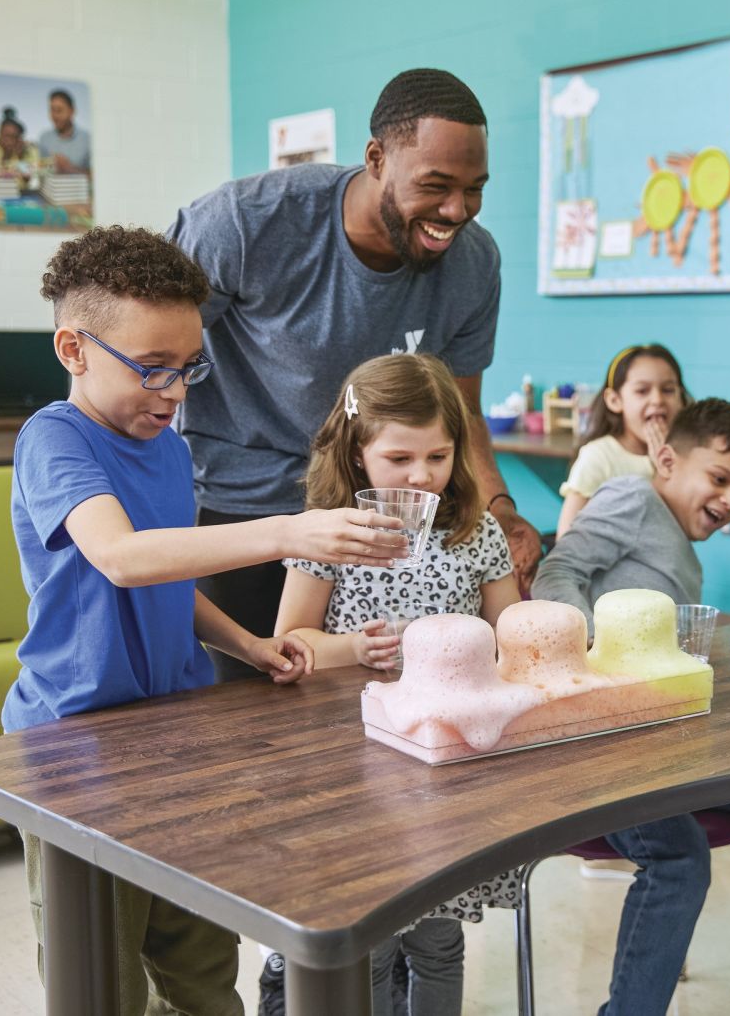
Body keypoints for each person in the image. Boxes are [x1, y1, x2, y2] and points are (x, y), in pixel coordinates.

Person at [6, 225, 407, 1014]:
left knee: (201, 975)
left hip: (175, 744)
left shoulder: (166, 445)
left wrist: (248, 644)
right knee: (102, 982)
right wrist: (289, 530)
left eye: (189, 367)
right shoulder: (52, 440)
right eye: (151, 368)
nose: (176, 390)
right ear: (73, 349)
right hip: (75, 751)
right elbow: (121, 557)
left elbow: (165, 578)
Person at [167, 67, 541, 683]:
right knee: (241, 711)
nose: (457, 210)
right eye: (437, 185)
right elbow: (149, 351)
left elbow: (465, 413)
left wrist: (501, 510)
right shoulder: (246, 223)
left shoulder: (474, 263)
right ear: (375, 158)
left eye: (475, 188)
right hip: (243, 511)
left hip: (378, 522)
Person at [533, 399, 730, 1016]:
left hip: (661, 744)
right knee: (679, 859)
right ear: (666, 459)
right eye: (719, 478)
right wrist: (593, 652)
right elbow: (558, 570)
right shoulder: (633, 501)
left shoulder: (680, 545)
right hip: (603, 746)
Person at [259, 352, 523, 1015]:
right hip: (359, 766)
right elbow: (292, 639)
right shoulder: (329, 530)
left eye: (437, 456)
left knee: (437, 936)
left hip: (450, 763)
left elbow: (510, 634)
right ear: (355, 455)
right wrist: (352, 647)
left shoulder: (474, 529)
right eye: (399, 459)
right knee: (370, 936)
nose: (422, 476)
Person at [557, 343, 688, 536]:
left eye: (668, 390)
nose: (657, 399)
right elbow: (566, 538)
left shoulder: (683, 459)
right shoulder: (599, 456)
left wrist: (665, 468)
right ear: (614, 400)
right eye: (642, 391)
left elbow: (683, 526)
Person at [39, 88, 91, 173]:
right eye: (52, 110)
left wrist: (70, 168)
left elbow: (98, 175)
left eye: (59, 110)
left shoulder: (87, 139)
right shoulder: (44, 138)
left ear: (72, 111)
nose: (55, 116)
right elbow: (41, 172)